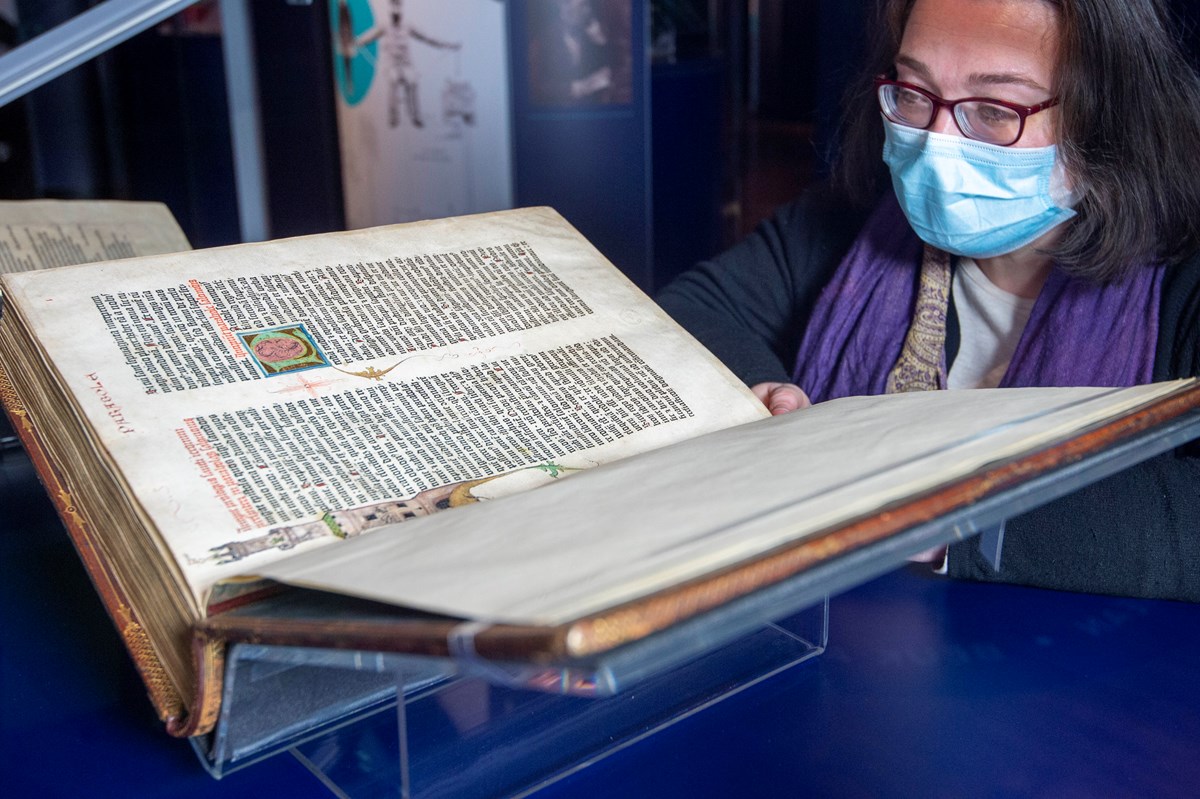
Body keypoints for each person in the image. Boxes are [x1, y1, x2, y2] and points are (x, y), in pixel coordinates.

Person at [658, 0, 1200, 601]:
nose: (933, 142)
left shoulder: (1185, 281)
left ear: (1110, 120)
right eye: (913, 93)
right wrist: (764, 394)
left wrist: (937, 519)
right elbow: (693, 311)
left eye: (995, 109)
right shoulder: (844, 224)